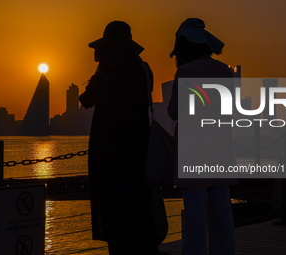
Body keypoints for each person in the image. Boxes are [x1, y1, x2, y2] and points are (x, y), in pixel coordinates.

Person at [79, 21, 163, 255]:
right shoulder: (143, 69)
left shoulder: (109, 72)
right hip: (139, 146)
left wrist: (100, 76)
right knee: (138, 200)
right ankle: (145, 246)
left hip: (110, 150)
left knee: (114, 206)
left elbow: (86, 100)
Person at [168, 18, 238, 255]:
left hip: (193, 151)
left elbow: (174, 112)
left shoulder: (185, 71)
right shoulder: (225, 71)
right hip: (220, 148)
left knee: (196, 215)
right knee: (222, 213)